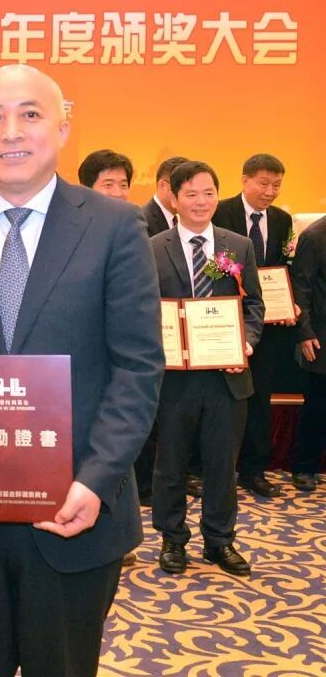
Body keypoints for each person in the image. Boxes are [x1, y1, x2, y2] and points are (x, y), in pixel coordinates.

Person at [0, 64, 164, 676]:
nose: (11, 131)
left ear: (63, 128)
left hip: (76, 509)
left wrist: (96, 480)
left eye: (31, 114)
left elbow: (138, 366)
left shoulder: (116, 227)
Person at [151, 161, 264, 577]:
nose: (201, 202)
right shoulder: (153, 247)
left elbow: (254, 305)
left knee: (222, 465)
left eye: (209, 193)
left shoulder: (238, 245)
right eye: (191, 194)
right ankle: (172, 539)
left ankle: (219, 541)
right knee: (170, 464)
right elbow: (144, 309)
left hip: (226, 377)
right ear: (174, 198)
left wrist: (246, 342)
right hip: (173, 379)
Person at [212, 153, 296, 498]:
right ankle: (212, 467)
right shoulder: (220, 212)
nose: (270, 192)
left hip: (267, 325)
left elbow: (284, 267)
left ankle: (254, 470)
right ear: (245, 180)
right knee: (220, 398)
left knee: (260, 397)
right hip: (223, 322)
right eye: (264, 183)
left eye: (276, 185)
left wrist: (289, 301)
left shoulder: (282, 220)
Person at [136, 155, 201, 504]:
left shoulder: (199, 228)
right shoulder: (142, 220)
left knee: (174, 419)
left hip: (192, 339)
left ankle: (174, 476)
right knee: (151, 414)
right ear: (168, 189)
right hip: (156, 332)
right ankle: (148, 484)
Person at [289, 214, 326, 492]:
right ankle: (305, 466)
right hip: (321, 335)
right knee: (318, 404)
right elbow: (300, 288)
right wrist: (305, 333)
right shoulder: (315, 236)